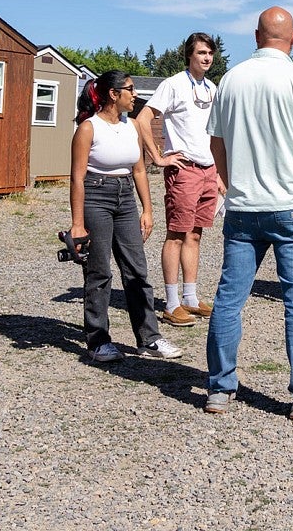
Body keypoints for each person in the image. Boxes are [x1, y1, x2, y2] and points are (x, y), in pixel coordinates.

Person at [203, 7, 293, 421]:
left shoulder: (231, 79)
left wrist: (230, 184)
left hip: (245, 209)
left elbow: (216, 143)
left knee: (230, 299)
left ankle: (219, 389)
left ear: (255, 36)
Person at [67, 70, 182, 364]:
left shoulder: (132, 126)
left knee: (137, 270)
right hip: (96, 195)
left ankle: (150, 339)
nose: (136, 95)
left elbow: (140, 169)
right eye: (130, 89)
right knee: (99, 271)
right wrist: (78, 224)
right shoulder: (88, 129)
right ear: (113, 94)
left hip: (125, 198)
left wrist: (148, 209)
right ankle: (98, 342)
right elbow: (77, 179)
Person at [136, 32, 223, 328]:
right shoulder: (172, 84)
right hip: (183, 169)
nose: (207, 58)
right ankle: (171, 304)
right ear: (189, 55)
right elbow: (143, 119)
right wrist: (159, 158)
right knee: (176, 233)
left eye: (210, 53)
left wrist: (220, 172)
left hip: (208, 169)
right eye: (201, 53)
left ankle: (190, 297)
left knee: (196, 234)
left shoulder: (212, 88)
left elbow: (216, 133)